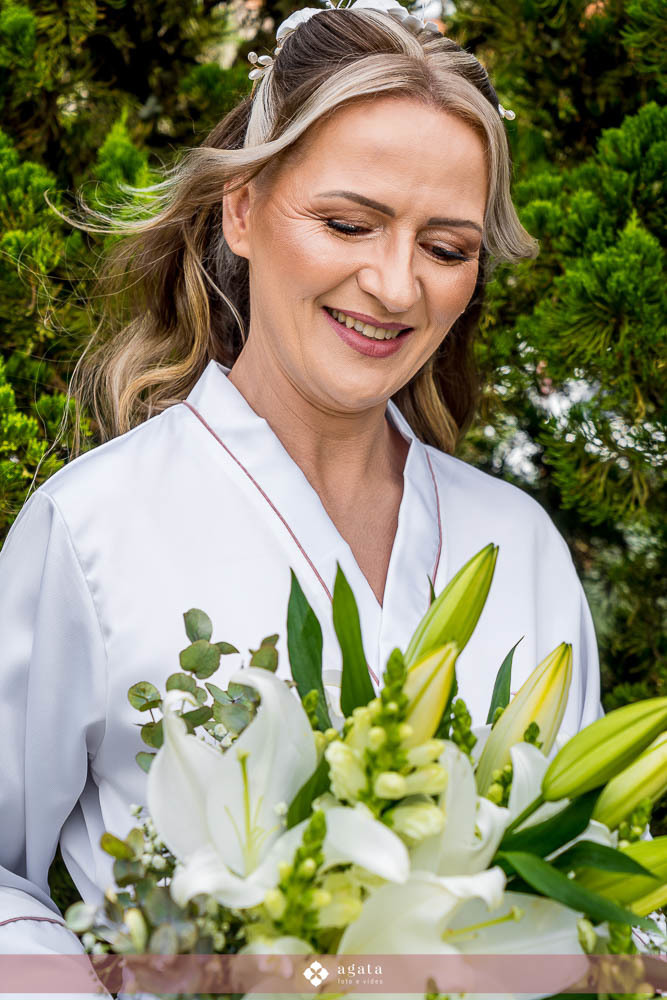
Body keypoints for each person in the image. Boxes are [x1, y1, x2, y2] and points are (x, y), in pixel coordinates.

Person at [0, 0, 602, 960]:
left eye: (445, 248)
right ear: (241, 210)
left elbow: (587, 871)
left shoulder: (516, 543)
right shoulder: (91, 528)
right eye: (348, 223)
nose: (396, 285)